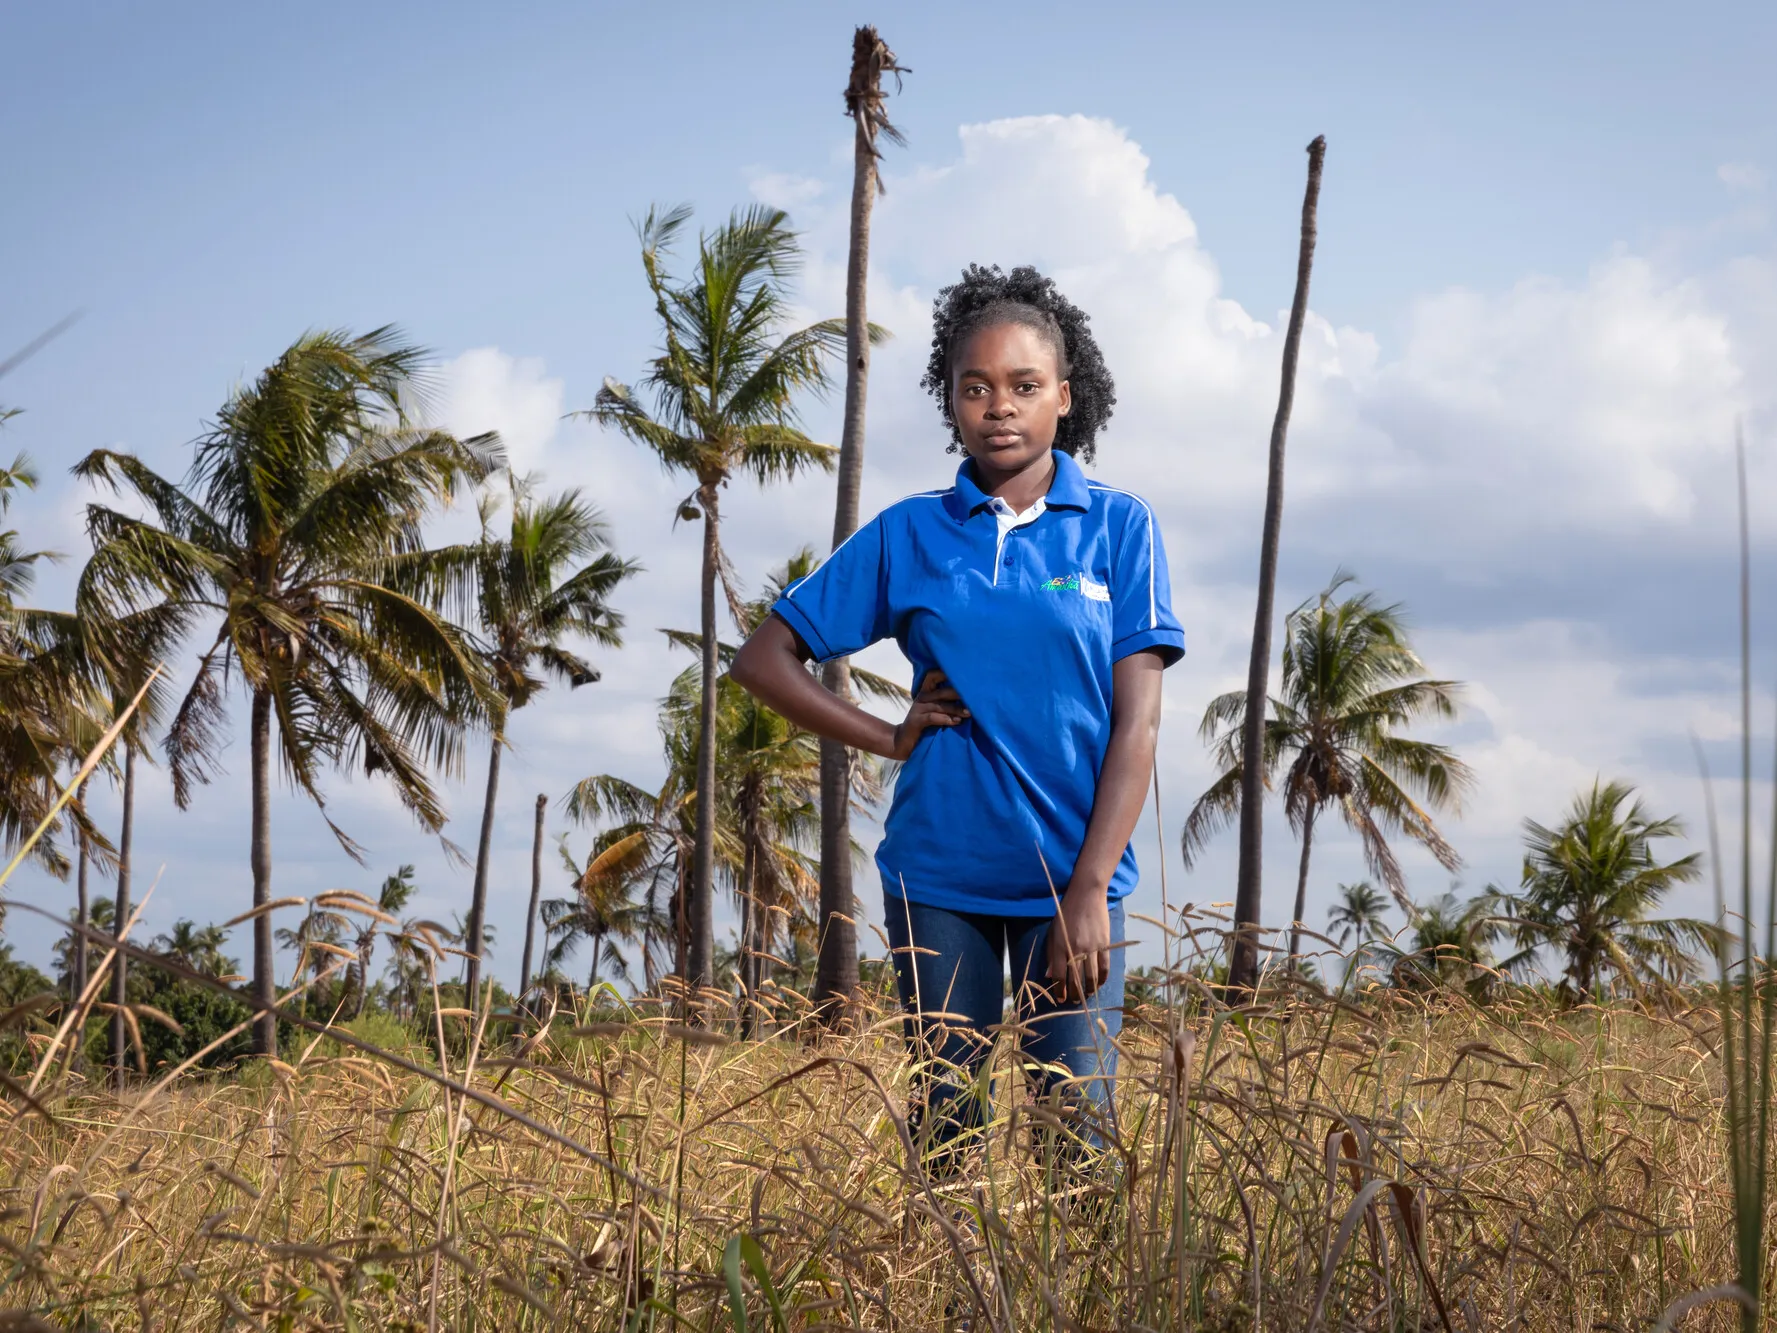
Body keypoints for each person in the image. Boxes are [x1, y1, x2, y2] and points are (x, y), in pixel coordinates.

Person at [731, 263, 1185, 1172]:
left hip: (1072, 880)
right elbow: (762, 659)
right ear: (951, 401)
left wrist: (1090, 887)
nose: (998, 407)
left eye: (1023, 386)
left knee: (1079, 1138)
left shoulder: (1117, 528)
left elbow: (1136, 726)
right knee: (949, 1127)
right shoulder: (911, 532)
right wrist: (889, 736)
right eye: (974, 388)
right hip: (940, 877)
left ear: (1065, 395)